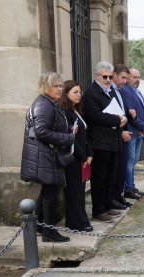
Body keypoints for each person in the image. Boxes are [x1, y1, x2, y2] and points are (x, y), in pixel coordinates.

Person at [20, 72, 75, 242]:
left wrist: (68, 130)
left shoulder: (50, 103)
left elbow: (49, 127)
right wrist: (68, 137)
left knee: (47, 191)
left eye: (61, 86)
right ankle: (49, 232)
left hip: (46, 155)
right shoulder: (44, 104)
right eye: (56, 86)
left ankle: (39, 225)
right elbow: (41, 131)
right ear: (46, 87)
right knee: (51, 192)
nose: (60, 89)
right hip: (44, 156)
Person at [82, 61, 128, 222]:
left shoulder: (110, 91)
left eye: (109, 77)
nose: (108, 80)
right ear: (97, 76)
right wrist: (116, 120)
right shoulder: (91, 93)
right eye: (105, 77)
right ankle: (98, 209)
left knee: (110, 175)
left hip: (112, 141)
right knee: (99, 178)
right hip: (100, 142)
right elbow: (94, 115)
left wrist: (122, 118)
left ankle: (107, 204)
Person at [58, 80, 93, 232]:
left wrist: (90, 153)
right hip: (73, 157)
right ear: (66, 94)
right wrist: (84, 156)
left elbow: (85, 135)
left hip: (83, 157)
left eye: (80, 92)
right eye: (75, 92)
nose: (79, 95)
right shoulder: (64, 112)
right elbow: (71, 138)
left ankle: (78, 220)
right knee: (73, 192)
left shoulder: (76, 110)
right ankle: (76, 222)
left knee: (79, 190)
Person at [108, 64, 135, 209]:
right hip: (114, 137)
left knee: (122, 170)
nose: (125, 81)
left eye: (127, 78)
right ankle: (112, 198)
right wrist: (121, 132)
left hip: (122, 136)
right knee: (115, 171)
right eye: (123, 78)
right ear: (115, 75)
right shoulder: (109, 91)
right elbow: (108, 115)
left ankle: (119, 196)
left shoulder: (121, 91)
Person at [121, 68, 144, 200]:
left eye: (138, 77)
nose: (137, 79)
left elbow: (143, 112)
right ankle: (128, 189)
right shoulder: (126, 90)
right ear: (128, 77)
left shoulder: (137, 91)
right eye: (134, 77)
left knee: (134, 161)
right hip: (132, 131)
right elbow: (129, 113)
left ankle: (132, 186)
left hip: (139, 132)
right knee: (130, 162)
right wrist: (142, 126)